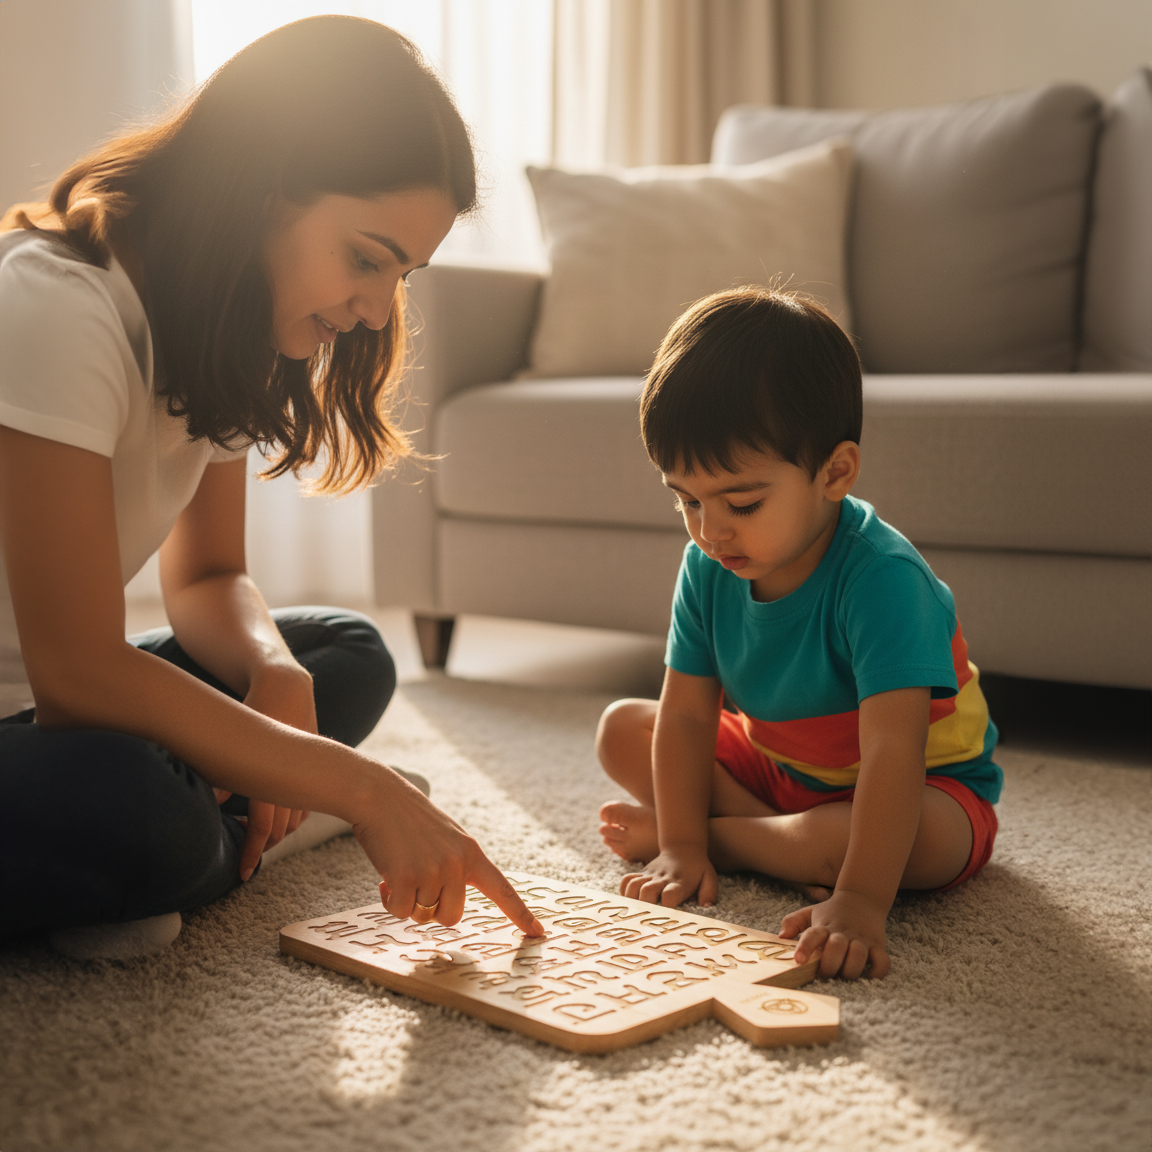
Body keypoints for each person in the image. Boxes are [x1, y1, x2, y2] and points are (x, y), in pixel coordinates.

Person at [0, 16, 543, 957]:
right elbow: (78, 673)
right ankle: (208, 834)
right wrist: (359, 788)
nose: (376, 309)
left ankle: (191, 839)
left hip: (61, 716)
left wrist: (270, 670)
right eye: (367, 257)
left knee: (344, 652)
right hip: (55, 709)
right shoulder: (57, 307)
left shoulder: (224, 327)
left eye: (401, 274)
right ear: (257, 189)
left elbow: (208, 575)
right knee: (138, 810)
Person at [595, 286, 1001, 980]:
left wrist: (862, 902)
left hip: (923, 784)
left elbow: (893, 753)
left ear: (835, 472)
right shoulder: (709, 564)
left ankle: (749, 842)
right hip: (782, 768)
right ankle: (756, 839)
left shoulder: (884, 580)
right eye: (687, 500)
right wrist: (681, 849)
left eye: (742, 502)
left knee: (886, 846)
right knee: (623, 729)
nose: (710, 530)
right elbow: (690, 717)